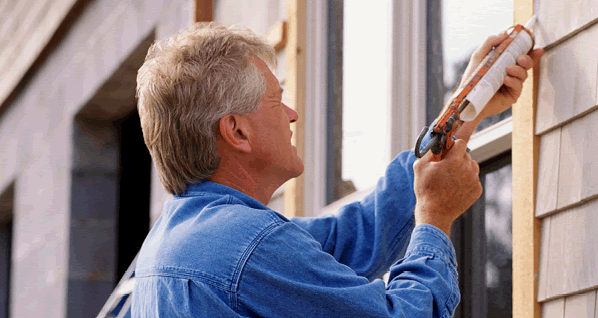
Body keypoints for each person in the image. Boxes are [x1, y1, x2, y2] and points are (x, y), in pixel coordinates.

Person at [131, 22, 543, 317]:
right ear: (237, 131)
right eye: (277, 102)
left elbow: (358, 236)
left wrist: (462, 108)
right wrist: (434, 220)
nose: (292, 115)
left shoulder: (181, 240)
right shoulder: (247, 248)